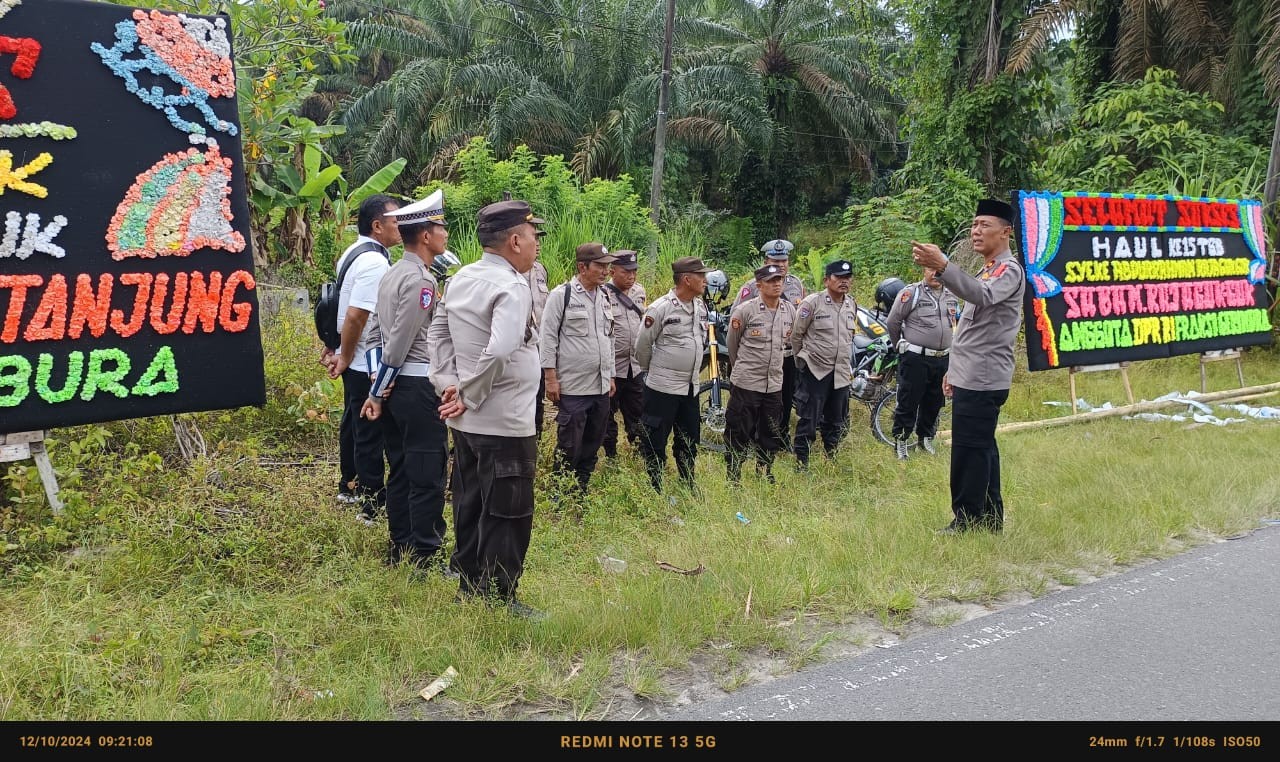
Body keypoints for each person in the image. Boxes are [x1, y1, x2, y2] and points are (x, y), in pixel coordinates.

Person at [428, 199, 546, 619]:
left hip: (467, 419)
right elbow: (499, 349)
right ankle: (498, 596)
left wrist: (446, 383)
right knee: (508, 510)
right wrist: (469, 392)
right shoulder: (511, 285)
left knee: (471, 500)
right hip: (503, 419)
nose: (536, 247)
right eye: (533, 238)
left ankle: (468, 580)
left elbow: (438, 332)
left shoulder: (462, 278)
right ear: (515, 240)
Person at [911, 199, 1025, 534]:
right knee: (982, 449)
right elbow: (972, 330)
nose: (976, 231)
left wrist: (944, 267)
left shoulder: (1009, 270)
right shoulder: (989, 268)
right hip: (973, 373)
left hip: (985, 376)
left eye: (984, 225)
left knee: (968, 451)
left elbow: (982, 296)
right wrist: (955, 370)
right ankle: (989, 519)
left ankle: (967, 521)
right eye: (974, 224)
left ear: (1005, 232)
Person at [359, 190, 453, 574]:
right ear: (426, 236)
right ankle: (425, 553)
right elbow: (397, 341)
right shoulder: (420, 282)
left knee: (400, 468)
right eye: (441, 227)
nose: (446, 233)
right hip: (415, 385)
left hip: (397, 386)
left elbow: (374, 336)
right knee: (427, 471)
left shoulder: (394, 272)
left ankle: (400, 545)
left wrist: (378, 386)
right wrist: (379, 390)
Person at [323, 194, 401, 520]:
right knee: (369, 430)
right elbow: (356, 316)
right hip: (360, 358)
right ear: (377, 225)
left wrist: (337, 347)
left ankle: (348, 485)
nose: (402, 226)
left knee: (352, 423)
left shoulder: (353, 253)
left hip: (349, 353)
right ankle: (370, 503)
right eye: (397, 220)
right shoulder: (375, 264)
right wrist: (346, 355)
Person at [539, 243, 618, 495]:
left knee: (593, 441)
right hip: (573, 386)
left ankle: (580, 490)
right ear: (582, 267)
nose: (605, 271)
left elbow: (610, 338)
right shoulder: (561, 295)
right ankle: (560, 494)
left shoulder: (605, 296)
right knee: (569, 444)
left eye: (607, 266)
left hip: (601, 384)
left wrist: (612, 375)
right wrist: (550, 378)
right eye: (600, 266)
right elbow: (548, 338)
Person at [634, 256, 712, 493]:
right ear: (687, 280)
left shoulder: (700, 306)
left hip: (690, 387)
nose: (705, 281)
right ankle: (654, 486)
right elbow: (642, 347)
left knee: (689, 439)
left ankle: (688, 482)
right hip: (662, 388)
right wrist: (653, 373)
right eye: (701, 276)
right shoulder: (660, 308)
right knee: (655, 440)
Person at [724, 264, 796, 483]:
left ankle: (764, 470)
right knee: (739, 430)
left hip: (774, 383)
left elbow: (790, 342)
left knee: (770, 431)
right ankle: (733, 475)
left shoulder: (788, 310)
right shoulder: (746, 311)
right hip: (747, 383)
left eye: (779, 280)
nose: (776, 284)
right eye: (771, 281)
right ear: (759, 285)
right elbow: (732, 344)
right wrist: (742, 370)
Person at [732, 239, 806, 451]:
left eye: (784, 260)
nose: (781, 264)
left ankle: (778, 438)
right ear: (766, 261)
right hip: (757, 355)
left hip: (786, 353)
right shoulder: (752, 286)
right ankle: (752, 437)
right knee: (753, 400)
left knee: (782, 398)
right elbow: (735, 325)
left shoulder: (796, 285)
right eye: (776, 260)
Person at [885, 264, 960, 460]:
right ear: (923, 271)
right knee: (909, 400)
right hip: (916, 357)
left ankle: (925, 438)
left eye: (939, 270)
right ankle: (901, 441)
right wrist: (898, 345)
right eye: (930, 269)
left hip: (943, 357)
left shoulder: (951, 295)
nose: (935, 274)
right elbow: (893, 321)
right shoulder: (911, 293)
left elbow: (957, 324)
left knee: (935, 400)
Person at [789, 259, 858, 470]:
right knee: (809, 419)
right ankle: (802, 462)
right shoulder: (812, 303)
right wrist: (803, 362)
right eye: (839, 277)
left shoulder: (851, 304)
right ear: (827, 280)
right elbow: (796, 335)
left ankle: (831, 456)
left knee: (836, 420)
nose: (844, 282)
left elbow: (850, 337)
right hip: (816, 370)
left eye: (847, 278)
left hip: (841, 373)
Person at [601, 250, 647, 459]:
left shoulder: (639, 292)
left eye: (634, 271)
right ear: (612, 271)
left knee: (637, 413)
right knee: (607, 415)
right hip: (613, 368)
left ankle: (638, 453)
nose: (631, 276)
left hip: (634, 366)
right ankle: (611, 455)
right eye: (626, 272)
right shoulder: (602, 293)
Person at [526, 255, 551, 436]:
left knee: (537, 395)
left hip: (539, 345)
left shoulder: (540, 269)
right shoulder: (506, 269)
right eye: (533, 237)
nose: (538, 243)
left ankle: (536, 437)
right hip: (517, 347)